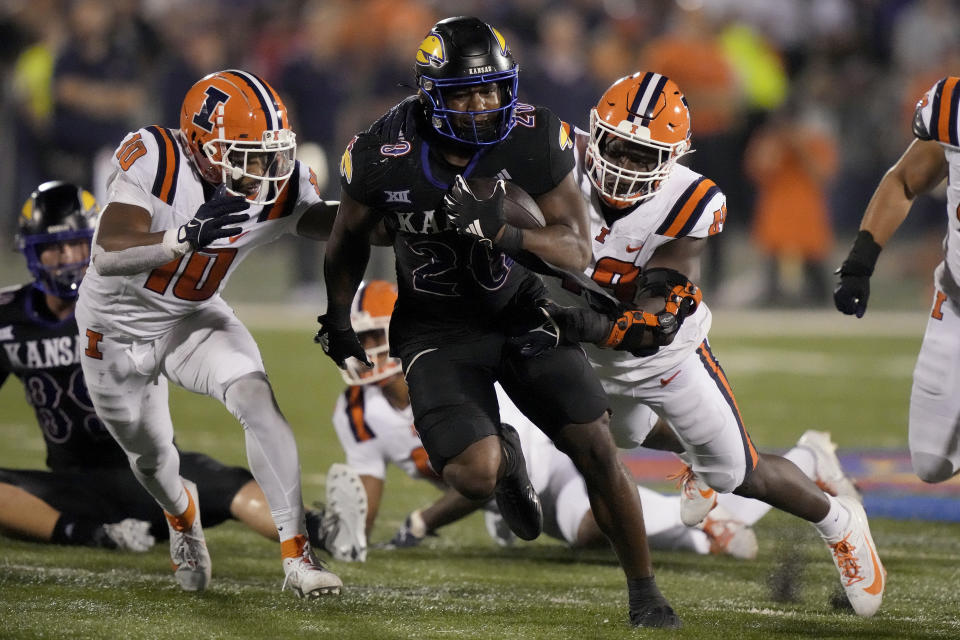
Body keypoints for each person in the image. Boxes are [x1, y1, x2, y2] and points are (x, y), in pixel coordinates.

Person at [319, 17, 679, 629]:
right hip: (436, 330)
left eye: (492, 89)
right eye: (465, 91)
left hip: (521, 311)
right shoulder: (382, 150)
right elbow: (346, 238)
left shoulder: (536, 135)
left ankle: (643, 590)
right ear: (430, 93)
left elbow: (576, 248)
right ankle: (506, 460)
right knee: (473, 474)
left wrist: (503, 230)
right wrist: (337, 317)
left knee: (594, 443)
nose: (484, 103)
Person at [517, 72, 885, 617]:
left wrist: (576, 326)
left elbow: (652, 321)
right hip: (596, 357)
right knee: (623, 435)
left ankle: (839, 523)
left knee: (742, 474)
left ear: (674, 160)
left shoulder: (689, 201)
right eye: (619, 146)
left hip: (663, 355)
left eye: (646, 155)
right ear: (594, 133)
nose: (627, 163)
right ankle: (693, 452)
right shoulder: (553, 157)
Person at [74, 70, 344, 597]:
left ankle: (298, 556)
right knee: (150, 457)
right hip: (113, 331)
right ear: (201, 147)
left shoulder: (271, 181)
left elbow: (325, 223)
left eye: (270, 153)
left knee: (256, 396)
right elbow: (107, 253)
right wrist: (183, 237)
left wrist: (395, 212)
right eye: (245, 153)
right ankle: (182, 514)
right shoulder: (155, 155)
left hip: (193, 316)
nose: (262, 169)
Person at [1, 181, 363, 559]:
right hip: (73, 485)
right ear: (31, 253)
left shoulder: (129, 298)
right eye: (53, 249)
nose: (68, 257)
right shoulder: (9, 314)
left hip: (153, 469)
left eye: (77, 243)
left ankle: (327, 531)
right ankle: (91, 534)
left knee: (228, 484)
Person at [328, 280, 758, 560]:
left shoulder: (457, 374)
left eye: (372, 337)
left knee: (589, 523)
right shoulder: (356, 413)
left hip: (549, 458)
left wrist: (423, 521)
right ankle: (703, 535)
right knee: (587, 534)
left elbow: (495, 470)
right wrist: (334, 530)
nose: (365, 350)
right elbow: (362, 508)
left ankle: (722, 512)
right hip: (512, 490)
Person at [834, 76, 960, 485]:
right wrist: (860, 263)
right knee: (930, 461)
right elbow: (904, 181)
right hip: (956, 305)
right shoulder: (953, 105)